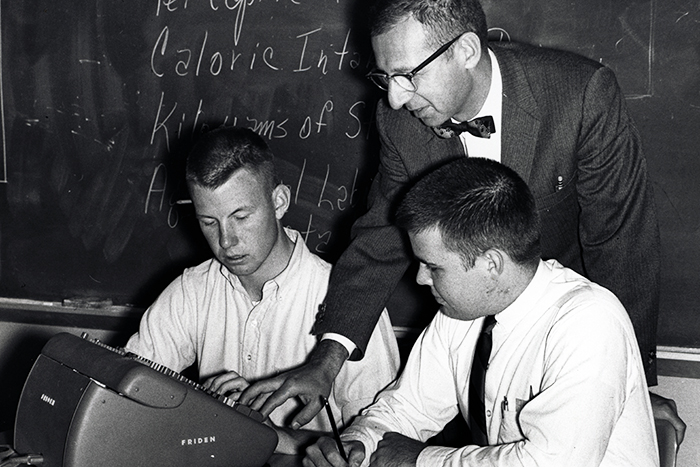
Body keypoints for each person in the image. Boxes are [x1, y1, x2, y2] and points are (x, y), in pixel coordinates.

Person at [240, 0, 685, 443]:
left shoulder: (579, 95)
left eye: (408, 75)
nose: (395, 97)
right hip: (463, 333)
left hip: (566, 335)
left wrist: (631, 382)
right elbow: (380, 238)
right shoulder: (399, 122)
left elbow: (620, 239)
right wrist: (326, 362)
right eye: (386, 78)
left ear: (466, 50)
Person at [304, 156, 660, 467]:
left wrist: (420, 460)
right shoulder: (461, 313)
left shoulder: (589, 322)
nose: (420, 278)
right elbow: (406, 409)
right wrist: (358, 442)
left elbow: (551, 463)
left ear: (491, 264)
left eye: (433, 266)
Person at [124, 126, 400, 454]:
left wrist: (266, 436)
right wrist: (197, 409)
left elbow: (378, 445)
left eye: (241, 217)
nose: (226, 241)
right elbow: (125, 394)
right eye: (209, 222)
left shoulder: (352, 304)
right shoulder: (192, 291)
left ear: (279, 202)